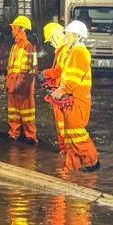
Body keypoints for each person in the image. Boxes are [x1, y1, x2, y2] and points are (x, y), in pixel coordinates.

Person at [51, 19, 100, 172]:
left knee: (76, 133)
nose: (65, 37)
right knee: (70, 135)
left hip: (78, 100)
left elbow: (73, 77)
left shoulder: (79, 52)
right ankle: (72, 166)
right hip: (73, 99)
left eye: (68, 35)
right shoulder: (74, 51)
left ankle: (92, 161)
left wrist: (62, 90)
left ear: (76, 36)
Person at [5, 15, 38, 143]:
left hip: (24, 86)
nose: (12, 31)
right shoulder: (15, 46)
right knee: (13, 111)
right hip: (14, 84)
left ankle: (30, 136)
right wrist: (8, 82)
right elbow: (10, 66)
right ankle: (14, 133)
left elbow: (31, 68)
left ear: (21, 29)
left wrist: (20, 83)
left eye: (14, 28)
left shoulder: (27, 46)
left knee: (27, 112)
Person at [40, 21, 68, 151]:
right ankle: (64, 149)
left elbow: (59, 71)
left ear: (56, 36)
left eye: (51, 40)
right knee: (61, 124)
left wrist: (44, 73)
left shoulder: (64, 51)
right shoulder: (61, 51)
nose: (51, 43)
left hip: (63, 94)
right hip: (58, 94)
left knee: (64, 125)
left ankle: (66, 150)